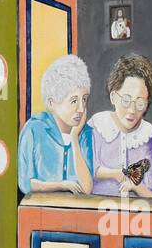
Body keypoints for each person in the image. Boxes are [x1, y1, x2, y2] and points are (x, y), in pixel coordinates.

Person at [17, 54, 94, 195]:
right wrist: (61, 185)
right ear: (52, 103)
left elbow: (87, 188)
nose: (82, 109)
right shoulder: (34, 129)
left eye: (84, 99)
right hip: (39, 211)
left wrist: (75, 139)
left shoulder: (85, 133)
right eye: (74, 101)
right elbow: (25, 184)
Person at [86, 52, 152, 198]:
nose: (132, 110)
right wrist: (116, 174)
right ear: (113, 97)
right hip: (95, 209)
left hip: (135, 213)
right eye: (126, 100)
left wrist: (136, 187)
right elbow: (86, 172)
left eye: (140, 103)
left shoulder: (147, 134)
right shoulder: (97, 125)